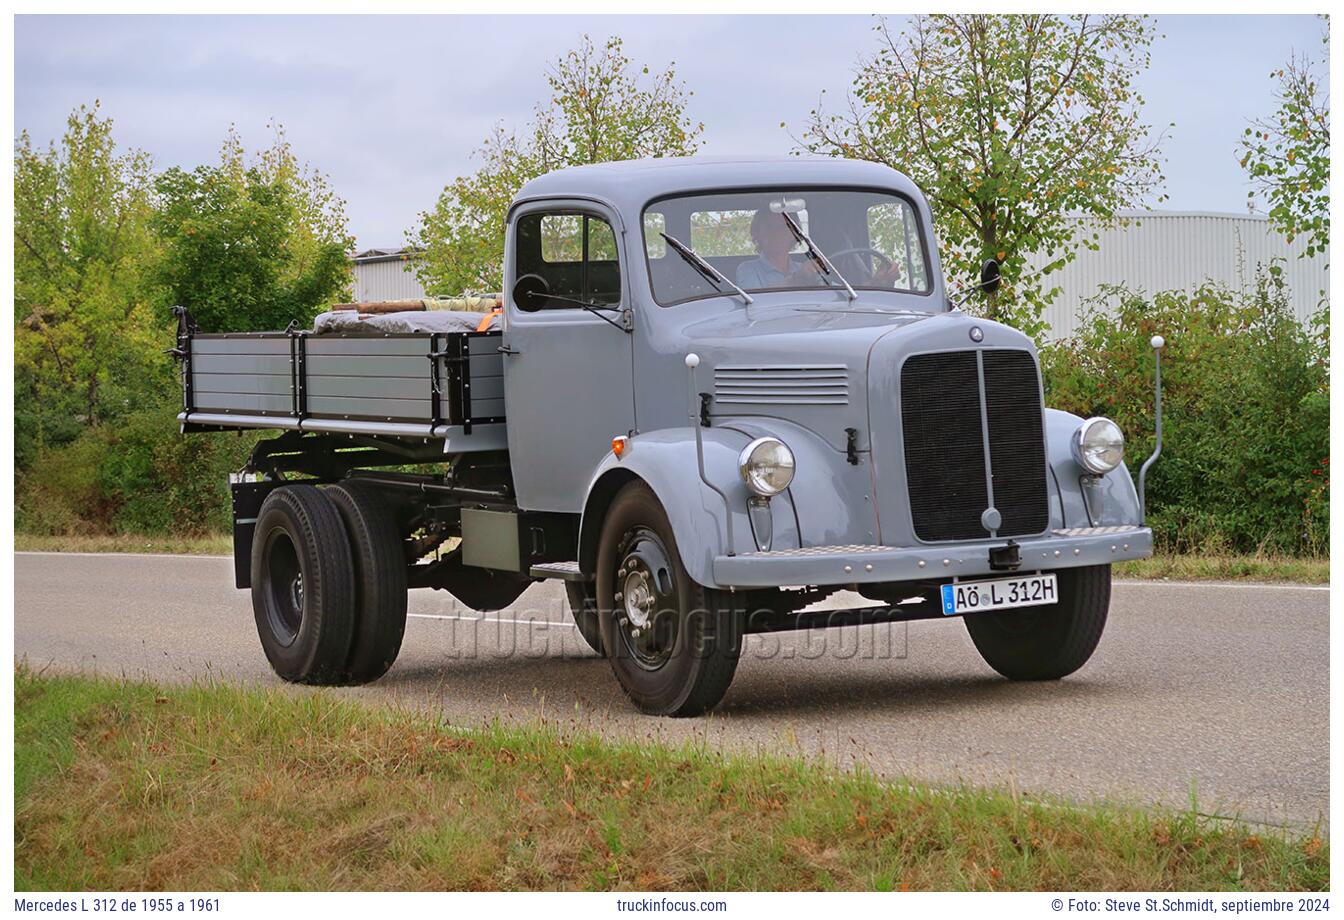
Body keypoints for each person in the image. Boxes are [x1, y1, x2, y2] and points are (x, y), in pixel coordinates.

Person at [735, 207, 824, 290]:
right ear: (757, 234)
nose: (777, 233)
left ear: (793, 234)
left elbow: (834, 292)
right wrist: (797, 279)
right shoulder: (748, 269)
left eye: (783, 227)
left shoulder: (806, 270)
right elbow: (755, 300)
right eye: (769, 227)